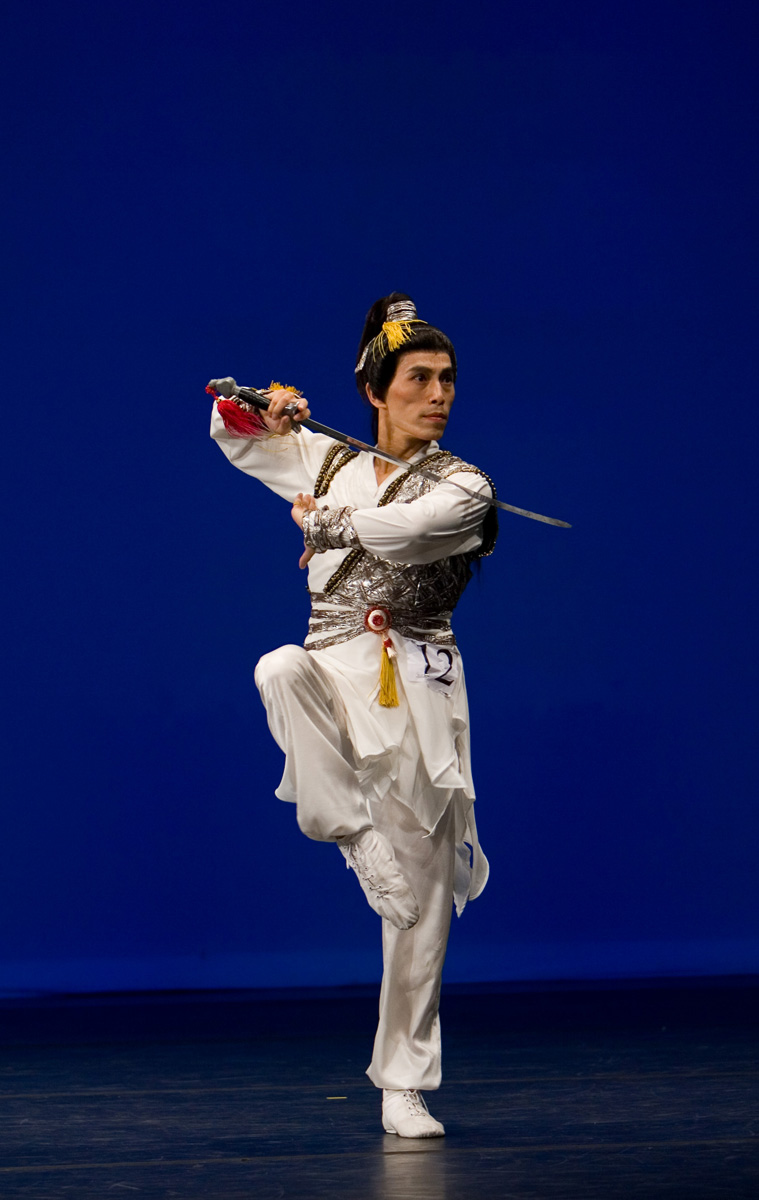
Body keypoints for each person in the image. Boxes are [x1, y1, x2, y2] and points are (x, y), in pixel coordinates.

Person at [210, 293, 497, 1138]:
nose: (437, 395)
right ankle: (348, 831)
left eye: (446, 379)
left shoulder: (465, 486)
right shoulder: (324, 457)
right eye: (418, 378)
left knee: (421, 904)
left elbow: (407, 532)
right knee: (276, 667)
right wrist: (266, 408)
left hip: (419, 693)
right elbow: (233, 433)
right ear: (376, 390)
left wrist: (325, 518)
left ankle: (401, 1084)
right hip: (333, 673)